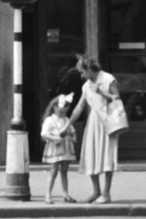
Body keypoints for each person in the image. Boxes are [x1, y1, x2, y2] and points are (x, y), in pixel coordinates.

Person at [72, 54, 124, 206]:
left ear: (89, 68)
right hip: (94, 121)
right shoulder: (86, 85)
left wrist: (101, 92)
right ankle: (96, 191)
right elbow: (80, 107)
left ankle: (106, 193)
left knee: (107, 156)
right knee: (91, 155)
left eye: (82, 72)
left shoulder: (108, 78)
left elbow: (117, 99)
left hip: (108, 120)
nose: (82, 76)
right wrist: (68, 123)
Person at [40, 92, 78, 203]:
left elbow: (72, 131)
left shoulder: (66, 120)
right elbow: (44, 134)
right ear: (54, 108)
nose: (63, 114)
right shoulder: (50, 120)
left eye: (65, 112)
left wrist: (73, 137)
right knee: (53, 171)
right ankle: (48, 195)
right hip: (55, 149)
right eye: (61, 111)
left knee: (64, 171)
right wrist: (54, 138)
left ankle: (65, 194)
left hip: (65, 148)